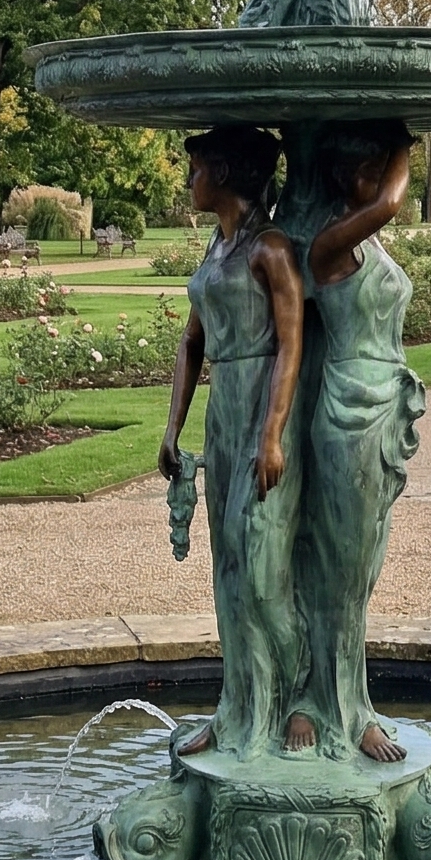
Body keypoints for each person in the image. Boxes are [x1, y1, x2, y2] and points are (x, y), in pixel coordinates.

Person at [158, 126, 309, 757]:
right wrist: (173, 428)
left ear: (223, 173)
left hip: (263, 410)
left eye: (194, 168)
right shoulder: (215, 253)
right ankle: (236, 708)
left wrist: (272, 434)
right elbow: (192, 344)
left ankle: (299, 700)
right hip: (224, 416)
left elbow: (292, 343)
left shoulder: (269, 249)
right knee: (227, 570)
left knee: (262, 571)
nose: (187, 179)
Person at [290, 122, 424, 764]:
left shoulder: (367, 248)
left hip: (381, 408)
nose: (387, 176)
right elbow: (391, 203)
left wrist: (390, 148)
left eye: (384, 163)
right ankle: (337, 709)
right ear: (350, 176)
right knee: (339, 570)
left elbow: (386, 206)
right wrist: (404, 138)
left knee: (359, 571)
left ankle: (331, 696)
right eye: (372, 166)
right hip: (348, 409)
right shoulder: (328, 246)